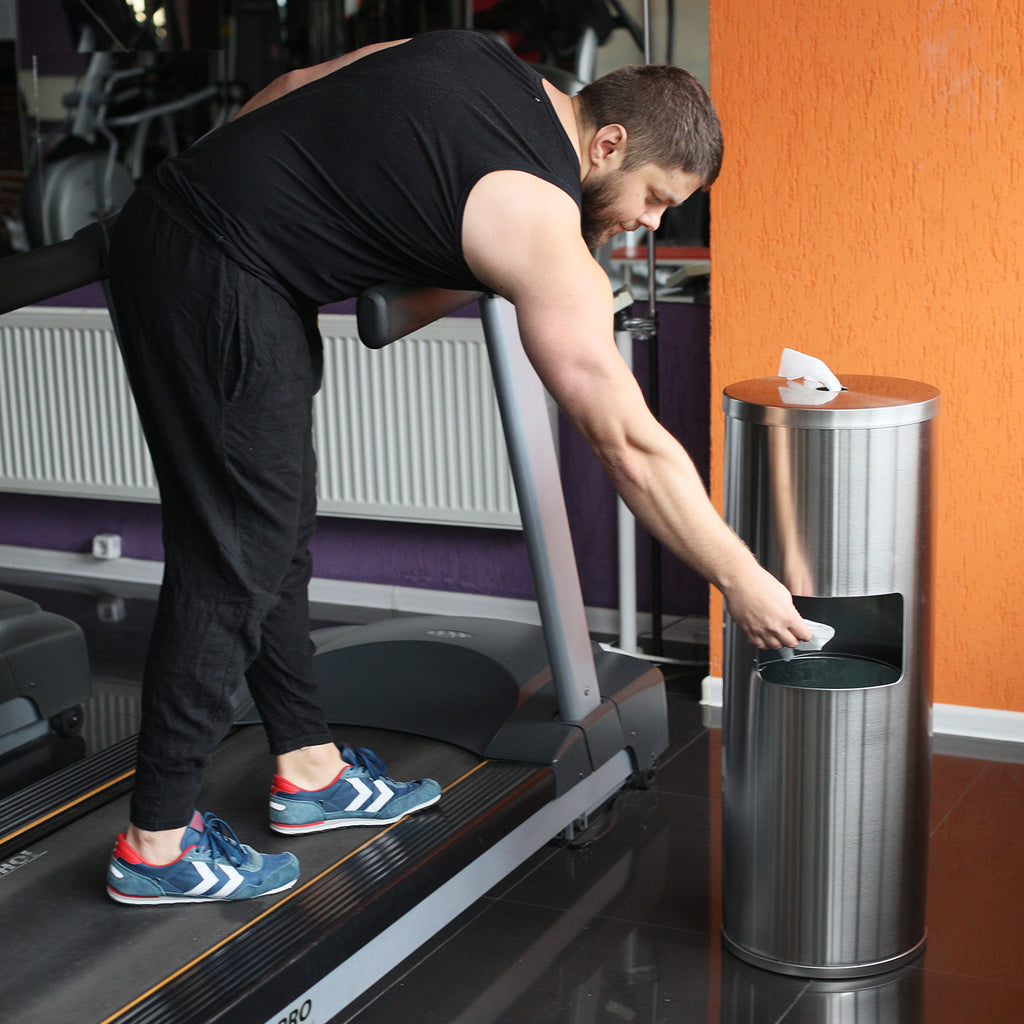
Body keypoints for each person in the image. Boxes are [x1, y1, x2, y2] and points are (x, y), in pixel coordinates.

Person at [104, 29, 810, 906]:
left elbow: (291, 86)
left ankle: (309, 770)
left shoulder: (477, 58)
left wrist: (219, 201)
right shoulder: (540, 217)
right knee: (235, 555)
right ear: (610, 143)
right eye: (656, 198)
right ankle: (156, 847)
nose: (652, 223)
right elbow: (629, 443)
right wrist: (741, 579)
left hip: (223, 257)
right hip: (217, 273)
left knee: (274, 536)